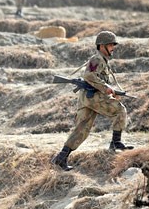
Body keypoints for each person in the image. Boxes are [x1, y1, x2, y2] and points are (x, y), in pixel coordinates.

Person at [51, 31, 134, 171]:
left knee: (82, 129)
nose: (113, 47)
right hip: (93, 96)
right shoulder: (97, 59)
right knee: (120, 110)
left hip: (88, 98)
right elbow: (89, 75)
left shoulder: (102, 61)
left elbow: (97, 79)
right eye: (110, 45)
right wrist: (106, 87)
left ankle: (61, 158)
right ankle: (116, 142)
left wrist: (111, 91)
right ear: (102, 46)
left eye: (113, 45)